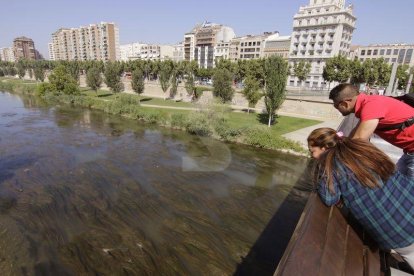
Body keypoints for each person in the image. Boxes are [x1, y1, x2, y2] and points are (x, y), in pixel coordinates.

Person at [308, 127, 414, 270]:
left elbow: (329, 198)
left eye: (312, 151)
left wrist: (321, 170)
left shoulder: (331, 164)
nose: (312, 156)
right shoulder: (360, 147)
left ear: (325, 147)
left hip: (400, 233)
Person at [329, 83, 414, 177]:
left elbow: (359, 139)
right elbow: (354, 134)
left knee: (407, 188)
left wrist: (334, 158)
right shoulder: (368, 103)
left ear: (345, 103)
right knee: (399, 187)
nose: (337, 109)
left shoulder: (371, 105)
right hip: (409, 152)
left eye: (336, 106)